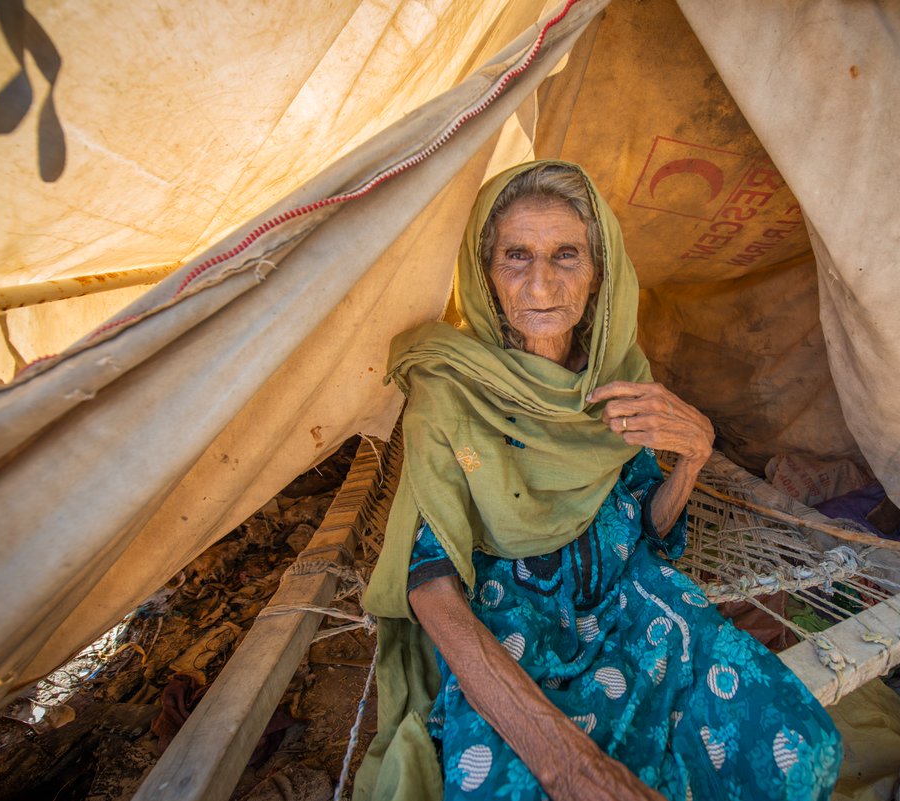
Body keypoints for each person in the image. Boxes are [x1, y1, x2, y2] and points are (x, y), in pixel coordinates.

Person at [354, 161, 841, 801]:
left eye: (566, 256)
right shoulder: (448, 391)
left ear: (598, 273)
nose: (541, 283)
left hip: (637, 602)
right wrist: (569, 765)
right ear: (485, 274)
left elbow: (647, 526)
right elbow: (431, 583)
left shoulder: (620, 373)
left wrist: (695, 455)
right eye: (516, 256)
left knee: (799, 750)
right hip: (511, 621)